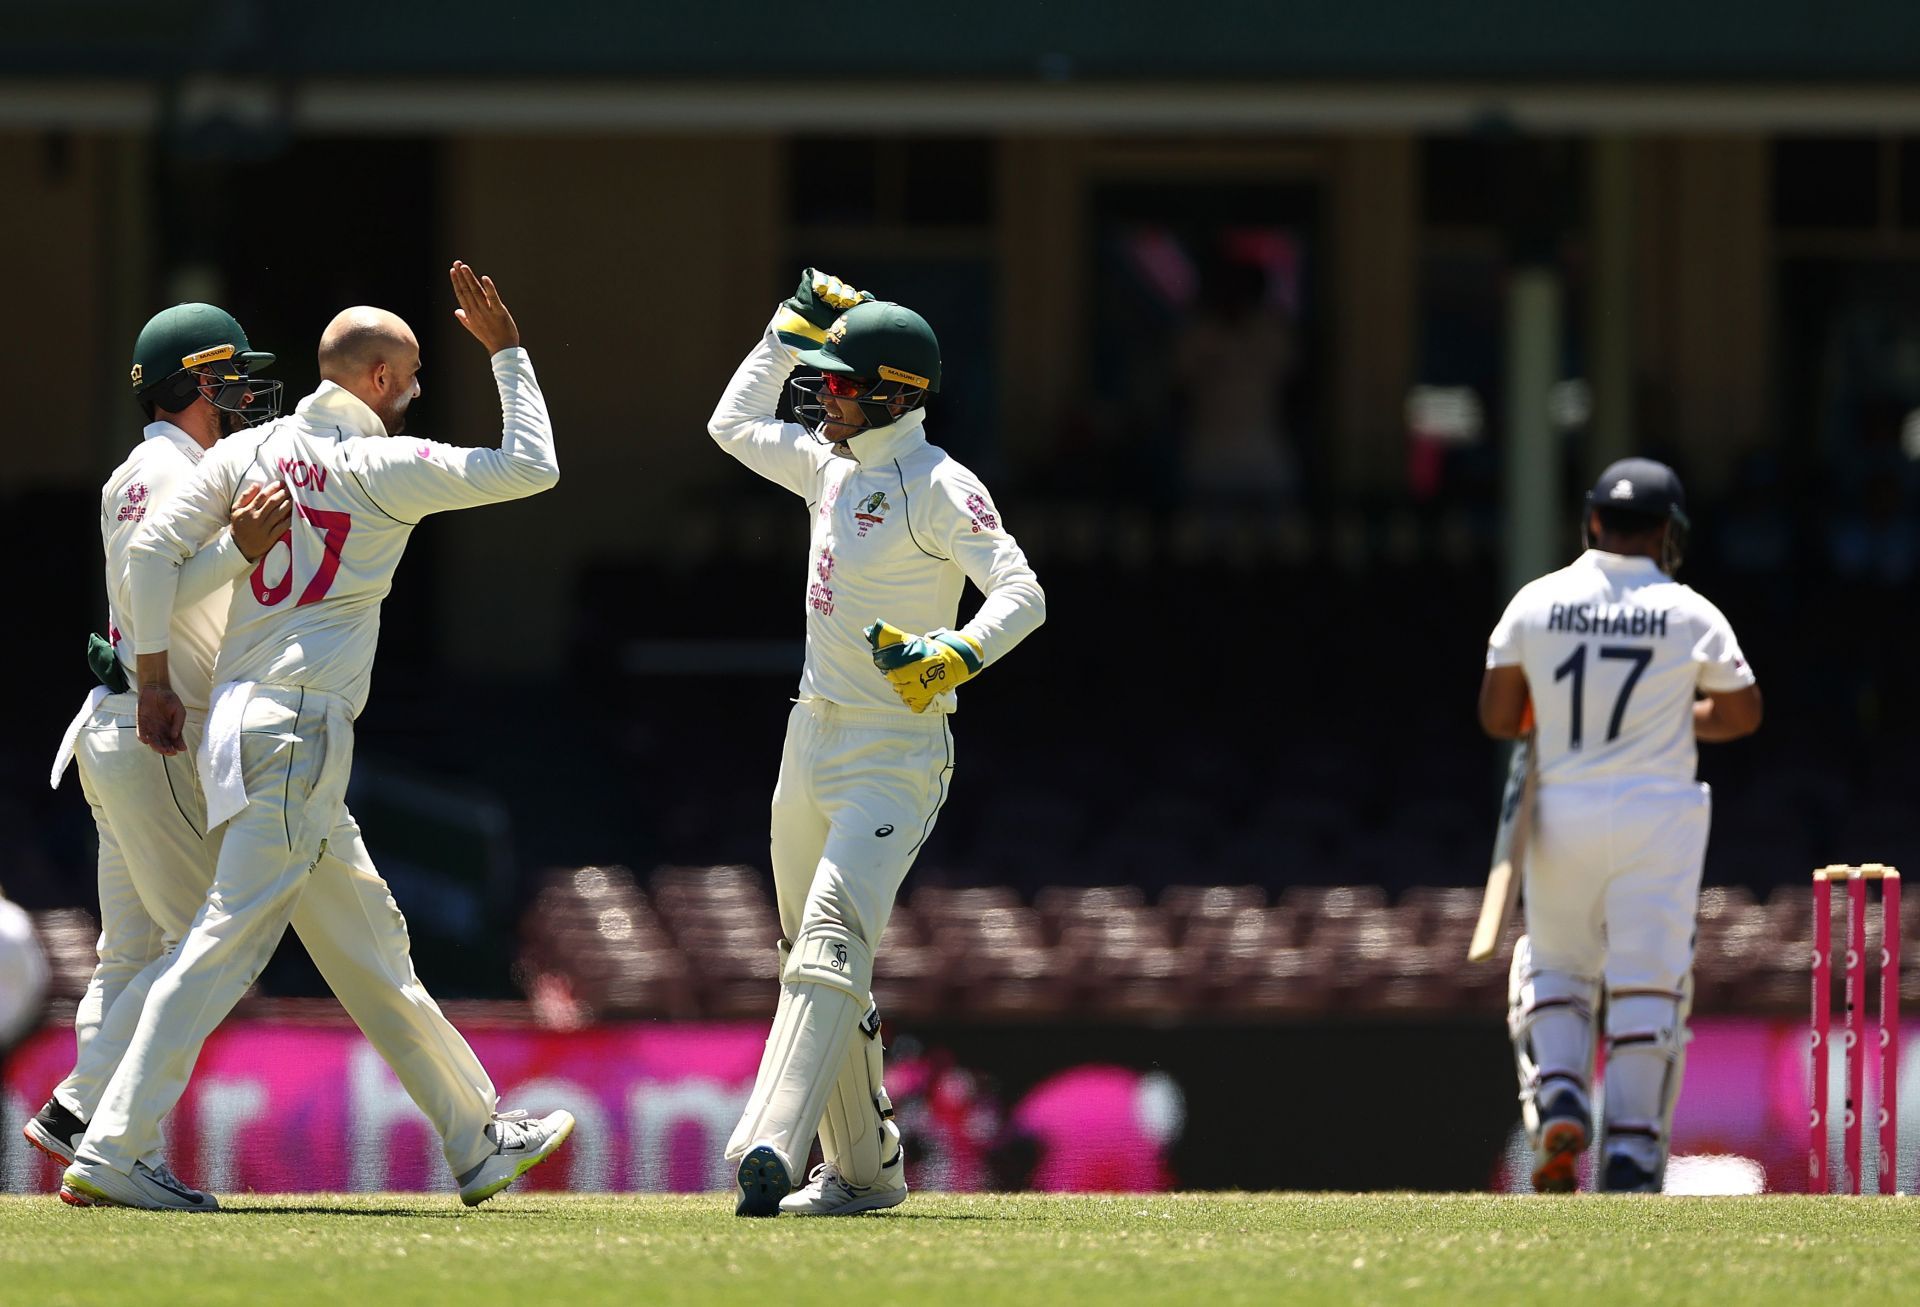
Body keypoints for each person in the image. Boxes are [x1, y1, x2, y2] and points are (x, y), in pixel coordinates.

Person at [58, 264, 572, 1211]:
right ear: (377, 380)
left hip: (243, 725)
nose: (415, 394)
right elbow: (533, 465)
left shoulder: (245, 453)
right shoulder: (385, 464)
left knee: (372, 946)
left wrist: (160, 678)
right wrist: (507, 354)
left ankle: (478, 1137)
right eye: (410, 377)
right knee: (217, 945)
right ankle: (114, 1144)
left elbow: (147, 555)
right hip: (298, 727)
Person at [709, 268, 1045, 1216]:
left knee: (827, 943)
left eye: (843, 383)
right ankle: (863, 1172)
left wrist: (954, 654)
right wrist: (784, 333)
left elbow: (1022, 594)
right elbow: (731, 427)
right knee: (812, 958)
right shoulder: (828, 462)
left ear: (898, 394)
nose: (824, 396)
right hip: (808, 738)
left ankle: (768, 1142)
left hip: (895, 754)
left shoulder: (940, 485)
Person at [1479, 458, 1762, 1194]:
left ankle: (1563, 1090)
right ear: (1668, 531)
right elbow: (1742, 712)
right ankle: (1633, 1150)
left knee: (1556, 963)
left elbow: (1499, 716)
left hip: (1562, 810)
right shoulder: (1691, 610)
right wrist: (1672, 719)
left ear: (1592, 521)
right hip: (1658, 815)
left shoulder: (1534, 602)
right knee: (1647, 982)